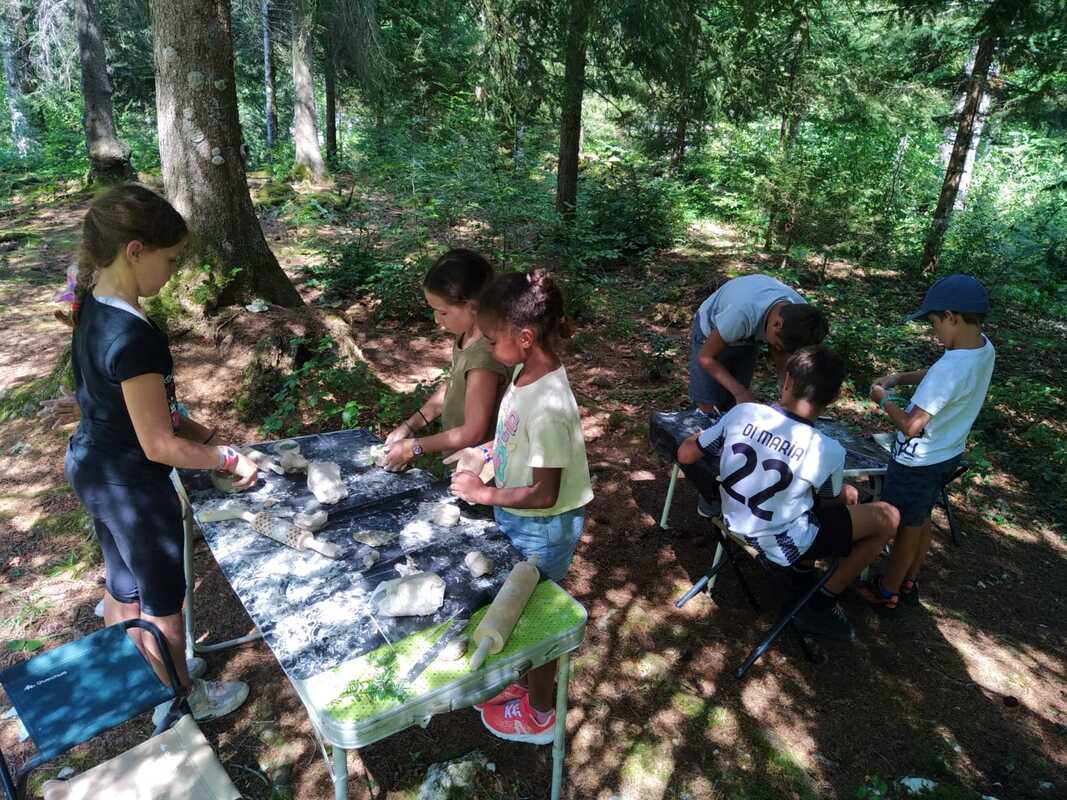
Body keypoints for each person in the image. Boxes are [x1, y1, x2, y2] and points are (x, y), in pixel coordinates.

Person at [64, 184, 257, 724]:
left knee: (122, 583)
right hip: (133, 488)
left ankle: (140, 679)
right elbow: (158, 443)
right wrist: (226, 459)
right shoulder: (132, 336)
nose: (173, 272)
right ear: (135, 251)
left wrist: (203, 434)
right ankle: (181, 700)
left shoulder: (92, 303)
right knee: (164, 600)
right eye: (170, 260)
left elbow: (141, 406)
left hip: (95, 468)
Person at [447, 269, 593, 744]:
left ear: (525, 337)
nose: (489, 348)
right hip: (521, 518)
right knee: (519, 605)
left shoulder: (550, 404)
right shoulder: (523, 372)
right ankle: (524, 683)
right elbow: (513, 436)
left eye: (492, 340)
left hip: (544, 526)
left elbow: (545, 492)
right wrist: (485, 454)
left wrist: (481, 493)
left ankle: (541, 713)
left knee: (537, 620)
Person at [677, 347, 900, 641]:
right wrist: (844, 491)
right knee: (889, 517)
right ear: (834, 397)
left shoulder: (744, 413)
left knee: (811, 502)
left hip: (730, 519)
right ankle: (821, 603)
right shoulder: (828, 450)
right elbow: (829, 510)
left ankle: (803, 576)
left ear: (787, 380)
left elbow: (686, 454)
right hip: (779, 542)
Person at [859, 275, 995, 609]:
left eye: (934, 322)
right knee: (920, 518)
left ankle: (887, 591)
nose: (934, 332)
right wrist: (901, 378)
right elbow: (942, 373)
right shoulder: (982, 347)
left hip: (917, 461)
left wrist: (882, 398)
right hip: (947, 453)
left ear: (951, 317)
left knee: (905, 525)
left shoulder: (952, 368)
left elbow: (911, 426)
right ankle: (909, 579)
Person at [380, 249, 511, 471]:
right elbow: (454, 386)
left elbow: (474, 432)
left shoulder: (485, 356)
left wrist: (414, 447)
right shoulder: (467, 336)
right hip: (462, 466)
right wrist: (410, 425)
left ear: (472, 306)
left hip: (483, 473)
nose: (436, 319)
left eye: (443, 312)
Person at [689, 273, 828, 413]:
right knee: (708, 400)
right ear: (777, 324)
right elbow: (706, 357)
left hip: (750, 333)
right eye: (778, 345)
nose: (778, 349)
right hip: (713, 329)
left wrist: (785, 389)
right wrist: (739, 392)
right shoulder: (741, 314)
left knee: (734, 402)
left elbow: (781, 351)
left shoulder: (803, 318)